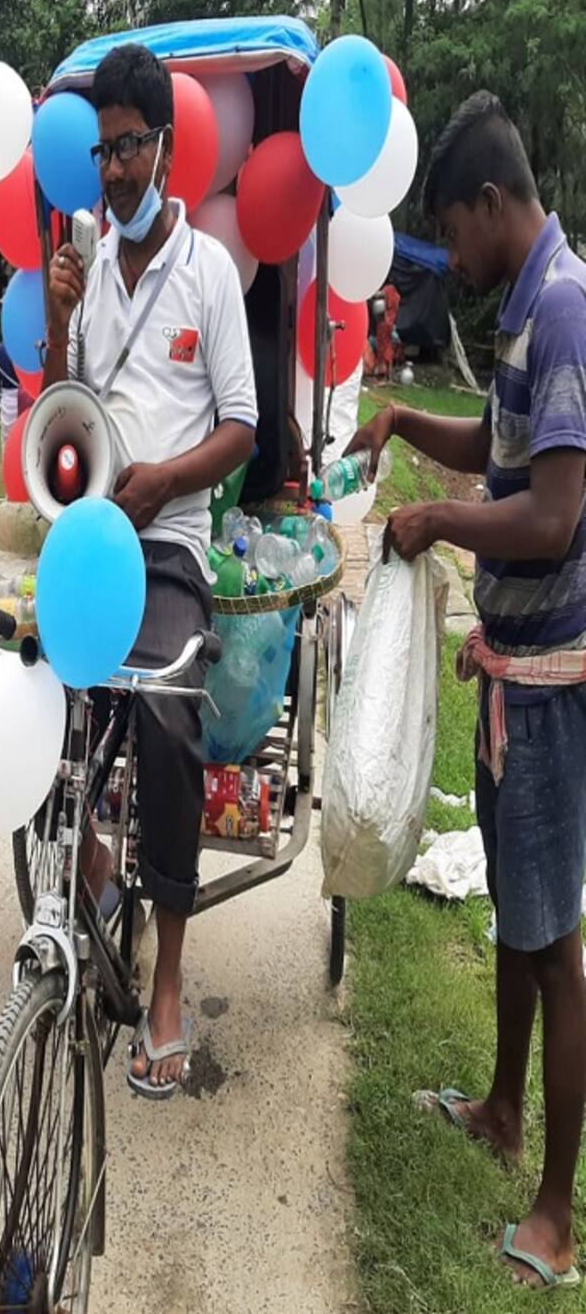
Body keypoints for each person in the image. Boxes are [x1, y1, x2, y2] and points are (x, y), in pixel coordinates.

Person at [350, 91, 586, 1291]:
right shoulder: (519, 311)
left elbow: (547, 517)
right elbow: (498, 454)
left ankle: (554, 1208)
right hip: (510, 669)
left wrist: (437, 521)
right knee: (513, 910)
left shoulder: (562, 309)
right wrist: (398, 418)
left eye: (452, 227)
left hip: (549, 682)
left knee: (555, 945)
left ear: (492, 205)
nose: (451, 252)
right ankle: (499, 1108)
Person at [42, 42, 257, 1099]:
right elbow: (62, 412)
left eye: (127, 146)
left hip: (166, 538)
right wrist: (53, 313)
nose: (113, 171)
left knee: (166, 719)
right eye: (100, 152)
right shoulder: (86, 275)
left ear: (163, 147)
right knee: (41, 693)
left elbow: (242, 426)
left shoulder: (206, 271)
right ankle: (78, 879)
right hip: (91, 533)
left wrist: (158, 482)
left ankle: (166, 976)